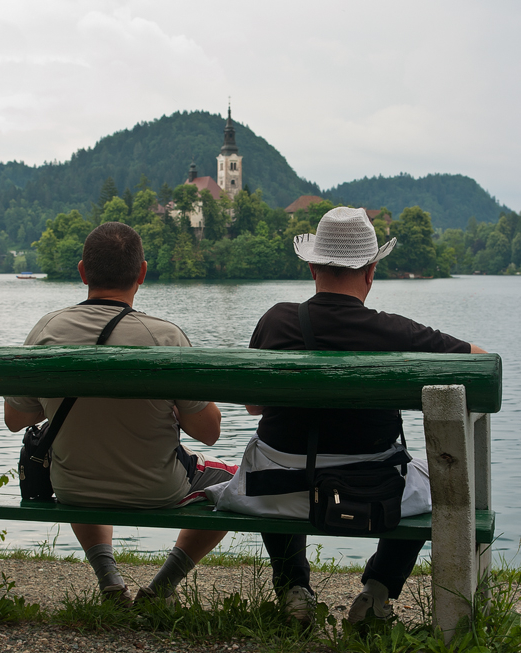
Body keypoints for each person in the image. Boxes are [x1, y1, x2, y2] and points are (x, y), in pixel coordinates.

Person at [207, 207, 487, 624]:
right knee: (438, 480)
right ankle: (376, 594)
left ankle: (294, 588)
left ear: (312, 267)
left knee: (275, 454)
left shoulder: (276, 320)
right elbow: (482, 367)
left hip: (273, 490)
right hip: (373, 490)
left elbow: (254, 406)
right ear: (371, 271)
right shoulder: (395, 331)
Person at [4, 222, 237, 606]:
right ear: (142, 272)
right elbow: (209, 432)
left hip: (72, 486)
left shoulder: (47, 329)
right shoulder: (165, 337)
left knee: (81, 448)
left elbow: (16, 419)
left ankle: (110, 582)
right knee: (235, 483)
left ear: (82, 272)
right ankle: (161, 589)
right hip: (158, 488)